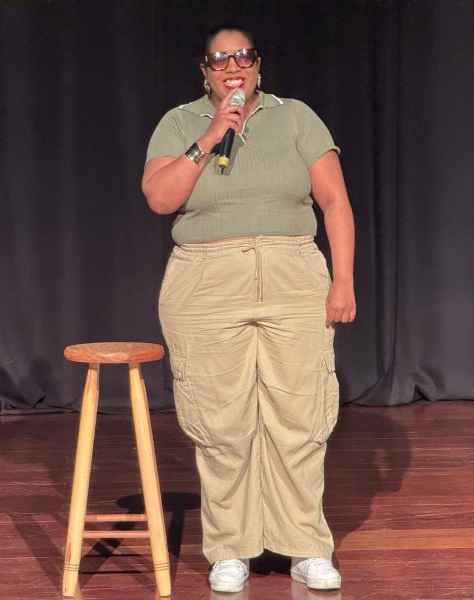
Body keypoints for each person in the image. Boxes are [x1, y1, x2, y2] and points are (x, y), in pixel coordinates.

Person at [142, 24, 355, 593]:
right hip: (205, 280)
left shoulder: (296, 117)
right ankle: (231, 547)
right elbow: (160, 198)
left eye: (243, 56)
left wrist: (343, 280)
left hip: (292, 274)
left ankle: (305, 545)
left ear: (259, 66)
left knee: (300, 416)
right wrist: (211, 135)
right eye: (220, 59)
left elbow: (335, 201)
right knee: (220, 422)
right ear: (204, 71)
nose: (233, 67)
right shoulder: (180, 122)